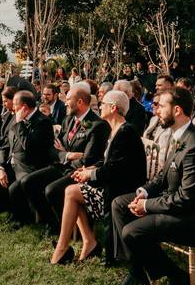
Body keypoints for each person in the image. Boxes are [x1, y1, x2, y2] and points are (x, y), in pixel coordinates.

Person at [111, 87, 195, 285]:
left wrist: (146, 206)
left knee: (132, 232)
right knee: (118, 204)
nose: (156, 110)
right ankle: (137, 271)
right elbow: (163, 175)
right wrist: (144, 192)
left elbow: (185, 200)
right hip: (178, 205)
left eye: (161, 106)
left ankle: (177, 277)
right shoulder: (178, 134)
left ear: (177, 110)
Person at [50, 90, 145, 265]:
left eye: (103, 104)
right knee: (70, 191)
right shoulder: (116, 129)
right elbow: (109, 163)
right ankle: (86, 242)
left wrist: (89, 174)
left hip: (120, 191)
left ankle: (65, 248)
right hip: (112, 184)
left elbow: (114, 171)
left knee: (71, 192)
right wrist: (91, 168)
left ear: (113, 108)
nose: (99, 106)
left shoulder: (125, 132)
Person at [23, 83, 111, 235]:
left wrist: (65, 154)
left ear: (80, 102)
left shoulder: (97, 125)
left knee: (52, 190)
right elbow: (53, 148)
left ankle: (66, 229)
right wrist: (68, 155)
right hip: (62, 165)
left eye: (68, 99)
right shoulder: (68, 119)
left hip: (80, 172)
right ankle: (52, 222)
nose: (65, 102)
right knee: (28, 182)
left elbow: (88, 159)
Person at [0, 91, 55, 224]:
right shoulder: (16, 119)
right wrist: (0, 167)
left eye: (16, 105)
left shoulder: (42, 122)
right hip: (11, 164)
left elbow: (29, 146)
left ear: (24, 106)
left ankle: (22, 218)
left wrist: (20, 124)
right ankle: (10, 209)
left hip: (29, 167)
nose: (13, 108)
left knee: (14, 188)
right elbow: (5, 146)